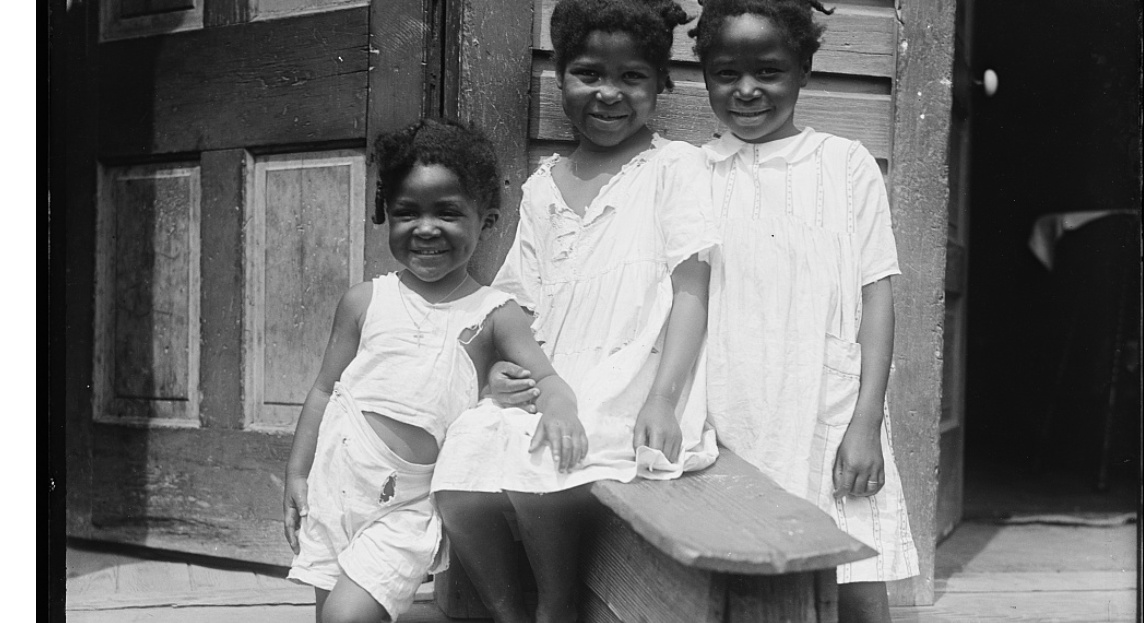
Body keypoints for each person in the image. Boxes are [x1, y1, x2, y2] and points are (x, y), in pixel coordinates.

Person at [430, 1, 720, 622]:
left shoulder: (675, 167)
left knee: (543, 455)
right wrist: (500, 372)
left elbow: (690, 289)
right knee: (464, 454)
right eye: (589, 73)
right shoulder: (542, 186)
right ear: (560, 77)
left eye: (632, 77)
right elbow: (516, 306)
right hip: (554, 373)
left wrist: (664, 398)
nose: (609, 93)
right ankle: (512, 611)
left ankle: (556, 605)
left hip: (630, 379)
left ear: (660, 84)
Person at [281, 118, 581, 623]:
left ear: (484, 221)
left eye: (447, 213)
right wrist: (296, 471)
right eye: (406, 213)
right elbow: (321, 392)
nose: (425, 228)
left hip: (407, 501)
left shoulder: (493, 313)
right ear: (387, 217)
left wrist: (560, 407)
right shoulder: (364, 300)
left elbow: (545, 378)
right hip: (335, 486)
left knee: (347, 618)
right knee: (328, 615)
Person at [689, 1, 919, 621]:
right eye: (725, 73)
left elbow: (876, 293)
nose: (746, 90)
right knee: (754, 569)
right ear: (703, 76)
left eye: (768, 71)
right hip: (731, 398)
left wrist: (867, 420)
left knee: (856, 562)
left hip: (828, 397)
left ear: (805, 72)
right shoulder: (691, 173)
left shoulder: (845, 165)